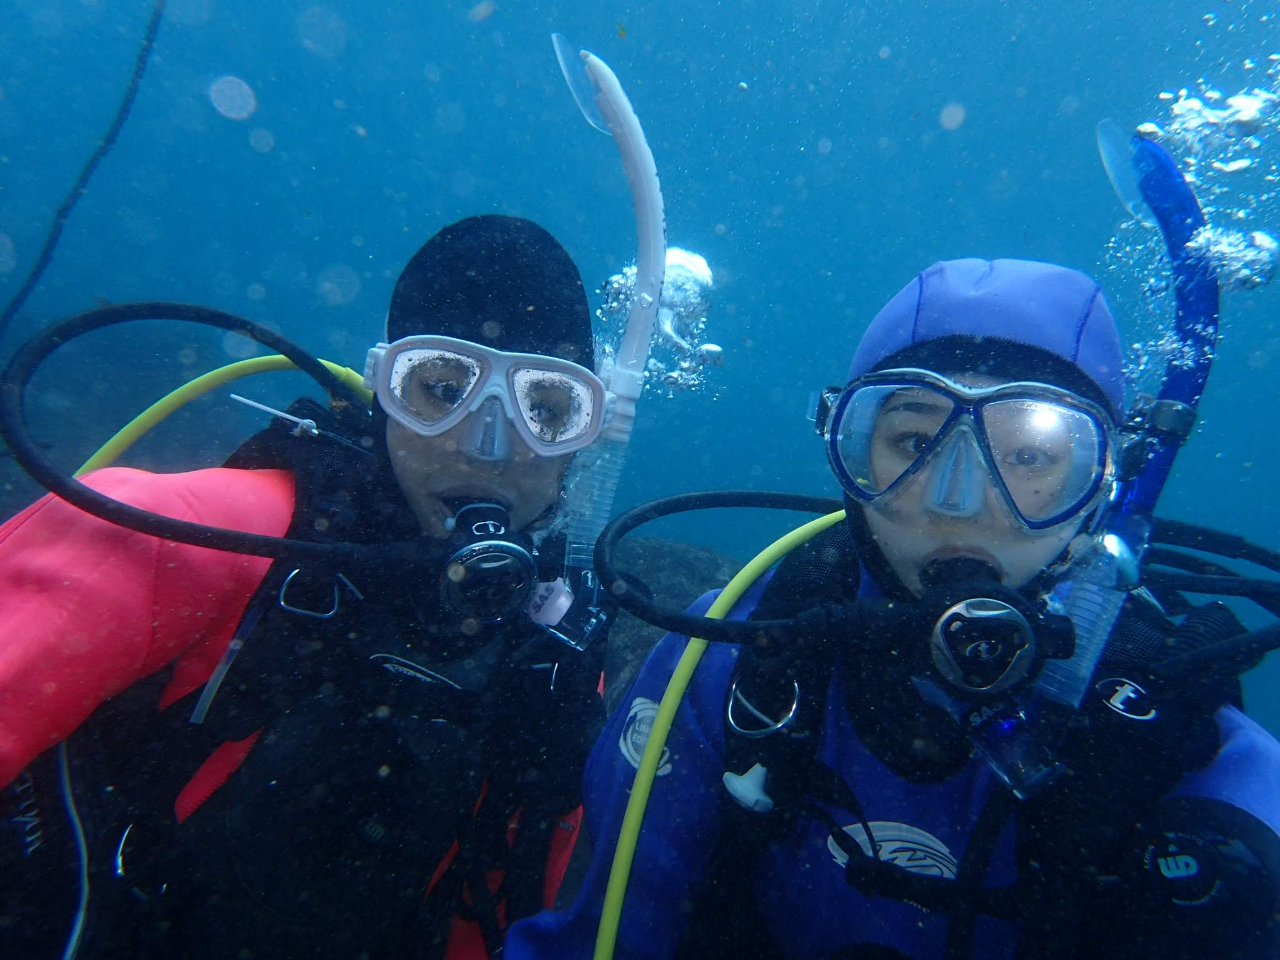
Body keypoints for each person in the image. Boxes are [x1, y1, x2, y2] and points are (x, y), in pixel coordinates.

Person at [505, 258, 1280, 960]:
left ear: (1103, 488)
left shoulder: (1173, 728)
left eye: (1031, 456)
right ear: (851, 450)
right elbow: (596, 939)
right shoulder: (736, 656)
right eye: (913, 443)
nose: (960, 503)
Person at [0, 215, 616, 959]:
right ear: (385, 389)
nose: (488, 446)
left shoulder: (553, 654)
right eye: (441, 389)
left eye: (547, 410)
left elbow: (489, 915)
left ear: (587, 436)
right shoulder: (181, 536)